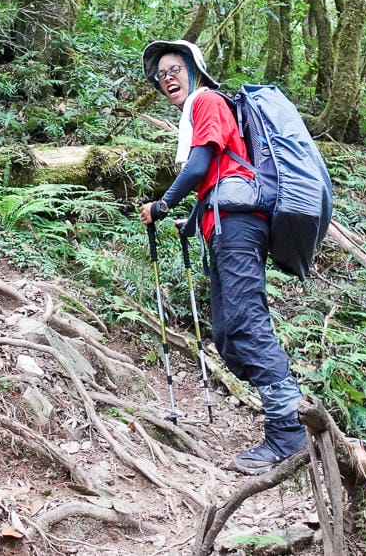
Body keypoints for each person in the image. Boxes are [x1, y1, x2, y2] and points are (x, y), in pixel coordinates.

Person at [139, 39, 306, 476]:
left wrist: (162, 205)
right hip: (224, 222)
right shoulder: (198, 109)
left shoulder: (207, 100)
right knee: (228, 332)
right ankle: (287, 418)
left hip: (237, 226)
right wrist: (193, 219)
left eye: (175, 69)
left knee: (247, 321)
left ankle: (289, 433)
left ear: (194, 70)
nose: (167, 78)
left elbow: (199, 167)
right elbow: (216, 177)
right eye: (161, 75)